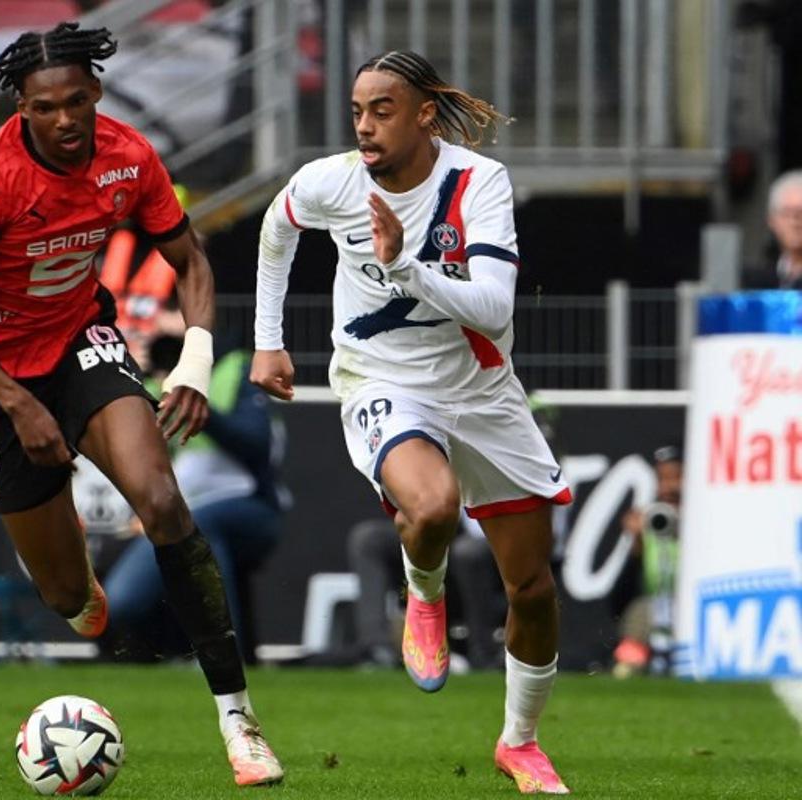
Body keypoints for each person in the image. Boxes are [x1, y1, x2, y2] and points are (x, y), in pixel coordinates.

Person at [0, 22, 282, 787]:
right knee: (68, 598)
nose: (66, 119)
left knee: (162, 501)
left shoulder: (129, 155)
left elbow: (189, 259)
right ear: (21, 108)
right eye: (46, 107)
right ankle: (73, 560)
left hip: (82, 342)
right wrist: (16, 404)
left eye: (77, 101)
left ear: (98, 92)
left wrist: (195, 364)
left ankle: (239, 722)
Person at [252, 51, 572, 793]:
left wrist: (404, 266)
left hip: (482, 389)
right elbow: (277, 227)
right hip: (382, 378)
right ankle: (424, 590)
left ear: (425, 115)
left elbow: (493, 306)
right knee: (431, 507)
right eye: (357, 112)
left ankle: (519, 743)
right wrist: (269, 339)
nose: (364, 126)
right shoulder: (332, 181)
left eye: (382, 110)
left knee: (531, 588)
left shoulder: (478, 183)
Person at [104, 333, 287, 664]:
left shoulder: (234, 368)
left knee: (200, 526)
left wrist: (196, 404)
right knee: (122, 599)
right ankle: (199, 655)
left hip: (248, 506)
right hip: (179, 509)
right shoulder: (151, 380)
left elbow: (257, 444)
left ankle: (224, 656)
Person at [612, 443, 683, 678]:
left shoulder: (706, 519)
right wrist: (636, 545)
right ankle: (628, 669)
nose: (668, 487)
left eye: (677, 477)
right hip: (654, 606)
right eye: (662, 479)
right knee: (640, 611)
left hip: (690, 607)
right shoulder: (651, 520)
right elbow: (619, 599)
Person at [745, 170, 802, 290]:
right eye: (787, 213)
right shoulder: (754, 282)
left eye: (800, 213)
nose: (795, 222)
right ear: (771, 221)